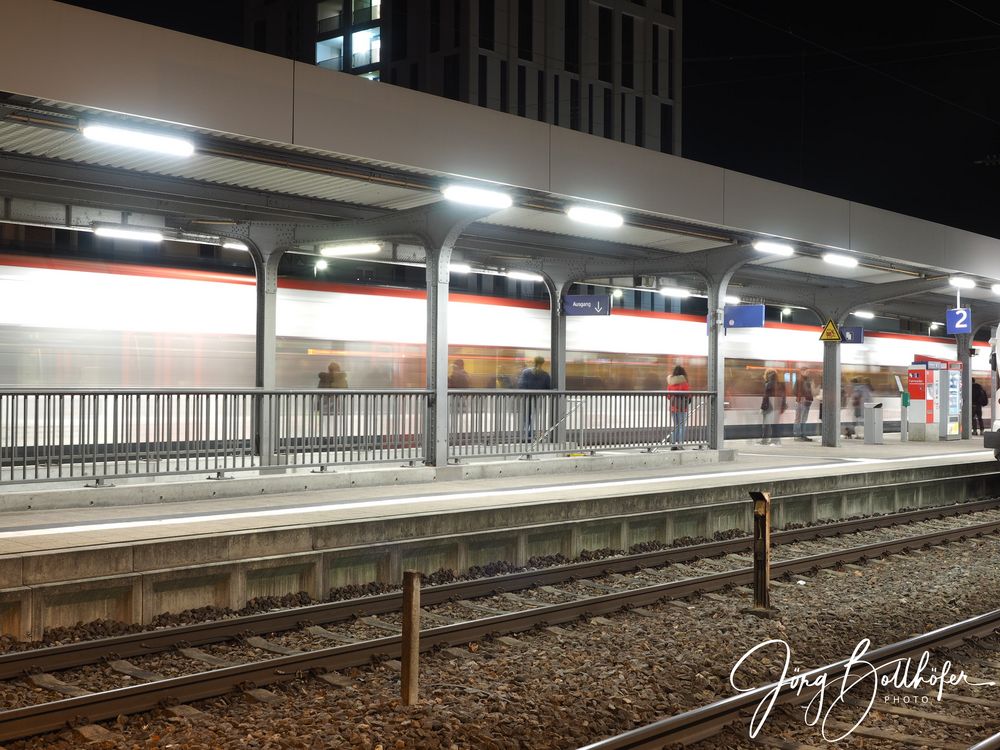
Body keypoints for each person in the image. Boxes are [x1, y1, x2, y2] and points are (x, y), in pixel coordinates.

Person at [517, 356, 551, 441]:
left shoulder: (526, 372)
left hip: (526, 398)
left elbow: (521, 385)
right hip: (537, 399)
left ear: (533, 362)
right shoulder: (545, 375)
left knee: (526, 417)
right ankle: (531, 435)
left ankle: (526, 435)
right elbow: (548, 387)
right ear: (543, 363)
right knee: (534, 417)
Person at [666, 364, 691, 450]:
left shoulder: (671, 382)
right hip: (682, 408)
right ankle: (680, 444)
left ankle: (673, 444)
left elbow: (668, 396)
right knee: (681, 426)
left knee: (676, 426)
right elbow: (688, 395)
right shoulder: (684, 382)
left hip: (673, 407)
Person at [760, 369, 786, 445]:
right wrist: (782, 406)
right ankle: (776, 440)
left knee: (766, 424)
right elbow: (784, 396)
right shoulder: (780, 384)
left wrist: (762, 407)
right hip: (777, 406)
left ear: (767, 375)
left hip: (769, 406)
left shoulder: (768, 384)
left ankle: (765, 440)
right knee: (775, 424)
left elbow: (765, 397)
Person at [792, 369, 815, 442]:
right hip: (801, 401)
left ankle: (802, 435)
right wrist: (802, 396)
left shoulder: (808, 381)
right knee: (799, 419)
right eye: (806, 371)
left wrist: (810, 398)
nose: (808, 373)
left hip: (807, 401)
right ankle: (797, 435)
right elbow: (794, 391)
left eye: (809, 372)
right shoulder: (799, 380)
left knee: (803, 419)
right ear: (802, 372)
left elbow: (810, 391)